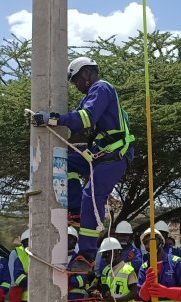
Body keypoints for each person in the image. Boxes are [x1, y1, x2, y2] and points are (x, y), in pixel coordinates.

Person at [33, 56, 135, 261]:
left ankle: (86, 254)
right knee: (65, 160)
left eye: (77, 81)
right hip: (101, 153)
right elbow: (80, 125)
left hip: (113, 156)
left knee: (92, 194)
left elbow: (85, 118)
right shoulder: (92, 95)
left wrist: (53, 119)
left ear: (87, 74)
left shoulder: (101, 89)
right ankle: (76, 208)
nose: (76, 86)